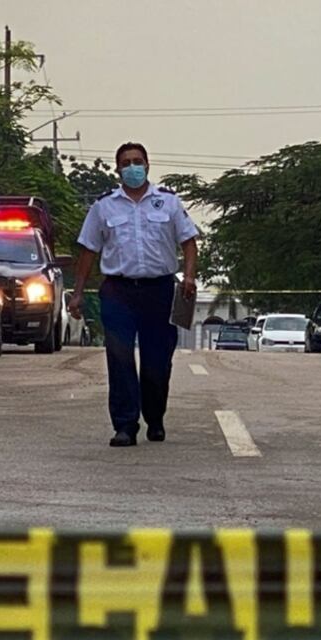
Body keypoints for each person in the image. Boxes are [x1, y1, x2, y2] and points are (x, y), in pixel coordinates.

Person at [68, 142, 198, 447]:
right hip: (118, 291)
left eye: (137, 161)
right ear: (118, 170)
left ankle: (155, 417)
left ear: (148, 165)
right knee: (120, 357)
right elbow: (88, 249)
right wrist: (77, 294)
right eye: (126, 163)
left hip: (159, 290)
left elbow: (189, 241)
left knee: (157, 361)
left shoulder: (168, 202)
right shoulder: (103, 206)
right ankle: (125, 424)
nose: (132, 167)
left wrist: (189, 276)